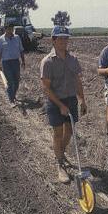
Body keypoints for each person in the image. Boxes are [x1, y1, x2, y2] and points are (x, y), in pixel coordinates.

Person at [40, 26, 87, 183]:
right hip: (55, 102)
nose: (64, 41)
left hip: (71, 100)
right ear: (53, 40)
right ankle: (60, 165)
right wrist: (60, 105)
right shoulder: (47, 62)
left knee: (69, 132)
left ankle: (61, 153)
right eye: (60, 38)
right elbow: (46, 88)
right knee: (58, 133)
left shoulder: (73, 59)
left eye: (66, 38)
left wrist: (82, 100)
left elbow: (77, 81)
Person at [0, 23, 25, 107]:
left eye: (12, 29)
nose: (10, 31)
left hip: (16, 62)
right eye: (9, 29)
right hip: (6, 63)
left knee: (16, 81)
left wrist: (23, 61)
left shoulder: (17, 38)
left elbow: (21, 50)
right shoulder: (0, 39)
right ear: (5, 29)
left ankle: (13, 95)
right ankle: (11, 100)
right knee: (10, 82)